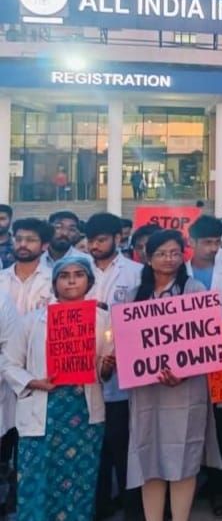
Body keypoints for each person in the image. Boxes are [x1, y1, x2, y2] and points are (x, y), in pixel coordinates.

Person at [3, 256, 113, 521]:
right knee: (37, 476)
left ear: (89, 282)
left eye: (79, 275)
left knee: (80, 479)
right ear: (54, 284)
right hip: (43, 410)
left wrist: (107, 367)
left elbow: (104, 371)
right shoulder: (32, 321)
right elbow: (9, 363)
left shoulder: (103, 320)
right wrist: (34, 382)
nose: (71, 281)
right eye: (64, 276)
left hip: (84, 414)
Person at [126, 230, 222, 521]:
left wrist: (184, 372)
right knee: (149, 457)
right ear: (148, 258)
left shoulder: (194, 291)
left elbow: (207, 341)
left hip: (186, 389)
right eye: (161, 253)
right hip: (147, 390)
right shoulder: (134, 295)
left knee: (184, 458)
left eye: (175, 253)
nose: (168, 259)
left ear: (183, 256)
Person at [83, 213, 144, 520]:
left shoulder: (136, 272)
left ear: (117, 239)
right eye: (91, 240)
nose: (95, 246)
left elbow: (142, 320)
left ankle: (133, 508)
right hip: (84, 371)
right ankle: (99, 505)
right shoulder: (76, 269)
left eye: (101, 240)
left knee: (123, 444)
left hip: (122, 371)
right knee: (93, 447)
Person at [185, 216, 222, 516]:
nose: (212, 248)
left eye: (217, 243)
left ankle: (220, 489)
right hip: (188, 361)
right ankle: (192, 485)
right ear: (191, 242)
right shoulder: (179, 272)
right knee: (190, 427)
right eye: (206, 242)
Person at [0, 218, 55, 510]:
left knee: (30, 446)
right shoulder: (1, 279)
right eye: (19, 238)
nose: (23, 244)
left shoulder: (55, 280)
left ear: (44, 245)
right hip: (3, 371)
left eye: (31, 240)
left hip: (40, 374)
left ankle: (22, 501)